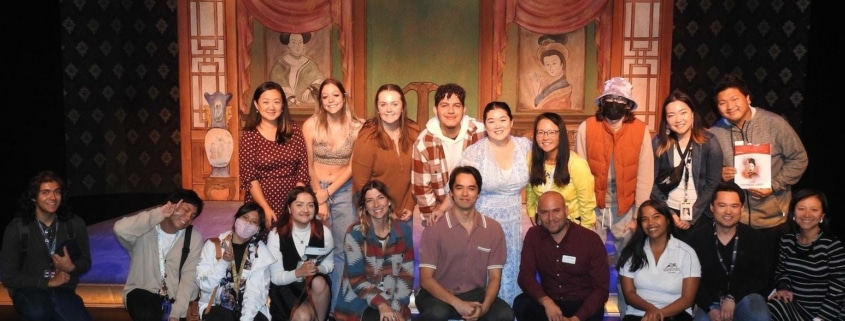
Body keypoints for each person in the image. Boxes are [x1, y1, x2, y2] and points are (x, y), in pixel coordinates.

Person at [574, 77, 654, 314]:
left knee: (628, 265)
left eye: (620, 99)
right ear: (602, 102)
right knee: (590, 264)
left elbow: (645, 174)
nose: (615, 103)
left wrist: (638, 214)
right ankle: (589, 312)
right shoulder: (587, 127)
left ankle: (628, 313)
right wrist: (586, 212)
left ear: (628, 104)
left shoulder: (640, 131)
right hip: (594, 205)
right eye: (610, 98)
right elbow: (579, 172)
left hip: (626, 206)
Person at [708, 74, 808, 253]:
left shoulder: (774, 124)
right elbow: (706, 171)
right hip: (733, 221)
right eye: (722, 103)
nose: (729, 107)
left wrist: (773, 185)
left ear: (747, 98)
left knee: (770, 275)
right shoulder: (715, 132)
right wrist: (720, 174)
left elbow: (799, 158)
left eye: (734, 99)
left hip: (773, 219)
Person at [415, 166, 514, 321]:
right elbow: (426, 279)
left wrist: (484, 308)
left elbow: (495, 278)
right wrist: (457, 303)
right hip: (437, 293)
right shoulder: (435, 228)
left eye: (471, 188)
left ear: (478, 193)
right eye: (459, 188)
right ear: (451, 193)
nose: (465, 194)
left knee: (504, 314)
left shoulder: (493, 229)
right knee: (437, 313)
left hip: (475, 293)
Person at [456, 101, 530, 305]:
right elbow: (456, 187)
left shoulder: (525, 146)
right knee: (485, 267)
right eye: (491, 121)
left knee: (511, 265)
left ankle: (509, 311)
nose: (497, 125)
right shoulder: (475, 152)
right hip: (484, 220)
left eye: (502, 119)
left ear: (511, 121)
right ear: (485, 125)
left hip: (514, 221)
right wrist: (441, 211)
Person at [302, 78, 363, 311]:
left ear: (344, 96)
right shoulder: (310, 125)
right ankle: (312, 308)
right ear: (320, 100)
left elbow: (351, 166)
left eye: (335, 95)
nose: (330, 101)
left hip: (344, 189)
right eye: (325, 97)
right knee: (314, 251)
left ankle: (337, 309)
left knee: (343, 250)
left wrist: (329, 192)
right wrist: (319, 196)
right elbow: (308, 164)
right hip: (315, 189)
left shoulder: (358, 126)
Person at [0, 170, 93, 321]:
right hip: (28, 290)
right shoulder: (17, 228)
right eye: (45, 192)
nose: (53, 197)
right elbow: (9, 277)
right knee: (39, 313)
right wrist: (49, 281)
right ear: (33, 197)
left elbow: (85, 262)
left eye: (57, 192)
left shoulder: (74, 224)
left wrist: (71, 268)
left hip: (63, 289)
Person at [514, 191, 609, 321]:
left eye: (556, 211)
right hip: (550, 305)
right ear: (538, 214)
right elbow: (525, 276)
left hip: (582, 306)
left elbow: (601, 289)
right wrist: (546, 301)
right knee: (522, 303)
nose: (551, 217)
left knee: (595, 309)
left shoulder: (590, 240)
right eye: (544, 212)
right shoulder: (534, 235)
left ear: (566, 211)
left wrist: (577, 318)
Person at [114, 188, 205, 321]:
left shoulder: (193, 238)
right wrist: (159, 213)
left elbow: (189, 279)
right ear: (171, 205)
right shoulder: (144, 230)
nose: (187, 218)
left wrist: (176, 313)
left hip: (176, 300)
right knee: (145, 309)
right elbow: (120, 229)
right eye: (186, 210)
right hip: (143, 293)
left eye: (192, 216)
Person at [687, 182, 772, 321]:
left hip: (745, 298)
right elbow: (692, 279)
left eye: (734, 206)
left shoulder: (755, 238)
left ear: (742, 208)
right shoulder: (697, 238)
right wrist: (709, 308)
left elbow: (761, 278)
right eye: (722, 205)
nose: (728, 212)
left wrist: (733, 297)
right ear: (711, 207)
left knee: (760, 317)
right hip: (710, 303)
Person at [334, 180, 415, 321]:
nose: (376, 205)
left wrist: (396, 308)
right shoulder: (355, 233)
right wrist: (382, 304)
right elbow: (357, 280)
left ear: (389, 201)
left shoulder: (403, 231)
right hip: (359, 300)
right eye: (370, 200)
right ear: (365, 206)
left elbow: (406, 277)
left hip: (393, 300)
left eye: (380, 198)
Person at [651, 91, 723, 241]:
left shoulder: (709, 142)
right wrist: (669, 212)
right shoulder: (658, 143)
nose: (678, 119)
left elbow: (713, 183)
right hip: (668, 213)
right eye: (671, 115)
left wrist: (693, 213)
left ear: (692, 114)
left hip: (701, 213)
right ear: (666, 120)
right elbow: (650, 181)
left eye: (683, 112)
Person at [412, 83, 485, 227]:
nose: (450, 111)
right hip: (442, 213)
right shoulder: (423, 142)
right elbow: (421, 188)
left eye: (456, 106)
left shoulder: (480, 132)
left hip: (479, 210)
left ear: (464, 109)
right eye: (444, 105)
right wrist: (433, 220)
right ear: (435, 110)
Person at [239, 80, 310, 229]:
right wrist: (265, 207)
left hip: (292, 197)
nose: (271, 107)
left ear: (283, 105)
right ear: (257, 105)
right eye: (266, 102)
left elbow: (303, 167)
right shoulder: (249, 135)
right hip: (261, 199)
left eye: (276, 102)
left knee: (291, 243)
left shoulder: (294, 130)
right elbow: (250, 177)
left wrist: (296, 202)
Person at [767, 189, 845, 321]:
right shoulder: (787, 240)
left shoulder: (832, 245)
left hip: (831, 311)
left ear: (822, 216)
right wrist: (784, 287)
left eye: (814, 210)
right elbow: (781, 272)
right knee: (773, 304)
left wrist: (821, 318)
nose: (807, 214)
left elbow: (838, 289)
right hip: (799, 307)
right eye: (801, 209)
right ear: (793, 213)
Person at [617, 200, 700, 321]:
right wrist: (650, 309)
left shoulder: (686, 253)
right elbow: (629, 293)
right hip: (639, 313)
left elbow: (688, 299)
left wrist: (658, 314)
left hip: (676, 314)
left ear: (667, 220)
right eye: (645, 219)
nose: (650, 223)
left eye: (656, 217)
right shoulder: (631, 252)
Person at [352, 84, 420, 225]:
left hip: (404, 209)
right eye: (383, 104)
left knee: (403, 246)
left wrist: (410, 204)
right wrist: (386, 210)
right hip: (373, 209)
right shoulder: (366, 138)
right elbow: (362, 184)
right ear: (377, 108)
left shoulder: (414, 132)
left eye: (394, 104)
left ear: (402, 107)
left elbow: (418, 173)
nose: (389, 109)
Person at [195, 202, 275, 321]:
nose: (247, 223)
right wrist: (223, 262)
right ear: (236, 219)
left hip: (250, 309)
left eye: (254, 222)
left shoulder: (261, 254)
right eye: (245, 217)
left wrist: (246, 319)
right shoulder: (214, 245)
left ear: (258, 229)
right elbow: (205, 285)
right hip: (217, 305)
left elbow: (256, 293)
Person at [267, 186, 334, 321]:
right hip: (286, 286)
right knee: (303, 316)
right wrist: (299, 272)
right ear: (289, 208)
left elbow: (330, 265)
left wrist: (316, 269)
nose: (305, 210)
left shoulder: (324, 231)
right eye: (299, 205)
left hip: (314, 287)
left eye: (310, 205)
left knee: (319, 281)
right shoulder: (276, 234)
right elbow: (275, 278)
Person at [526, 112, 596, 231]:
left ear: (561, 134)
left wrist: (585, 231)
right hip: (544, 223)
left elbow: (587, 203)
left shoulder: (577, 164)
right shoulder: (531, 158)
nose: (545, 137)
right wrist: (531, 211)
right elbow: (530, 188)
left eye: (551, 132)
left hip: (572, 225)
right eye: (540, 132)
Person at [269, 32, 325, 109]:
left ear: (303, 45)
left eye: (300, 42)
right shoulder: (281, 64)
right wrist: (291, 98)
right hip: (286, 105)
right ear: (288, 45)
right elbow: (276, 83)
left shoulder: (310, 64)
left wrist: (309, 89)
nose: (297, 46)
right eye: (294, 43)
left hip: (307, 106)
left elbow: (319, 80)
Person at [530, 34, 573, 110]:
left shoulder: (563, 87)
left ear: (561, 64)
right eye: (547, 64)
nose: (551, 68)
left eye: (554, 63)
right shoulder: (548, 83)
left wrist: (536, 91)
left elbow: (540, 105)